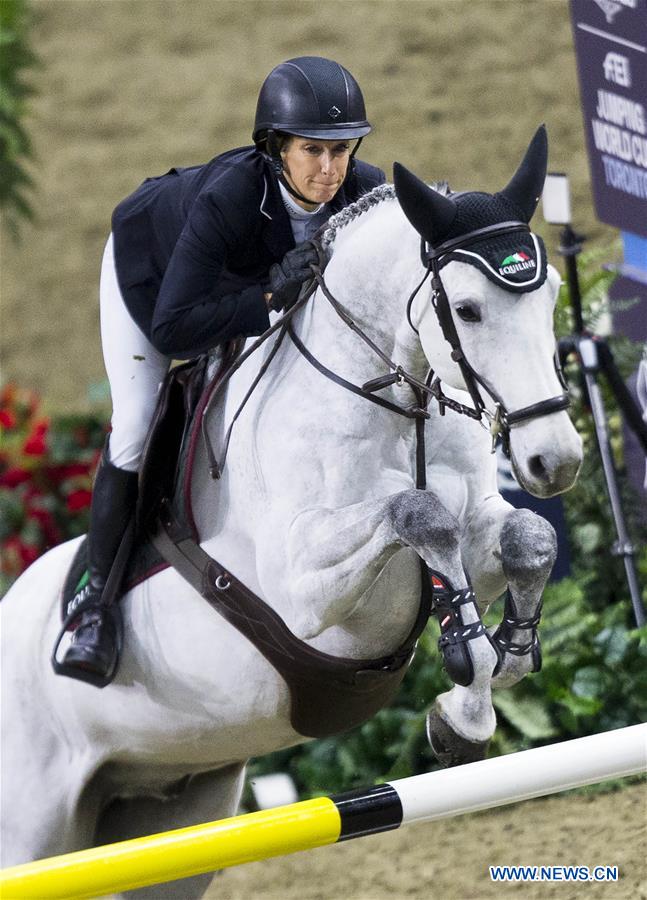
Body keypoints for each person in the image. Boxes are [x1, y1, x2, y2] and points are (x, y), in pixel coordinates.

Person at [59, 56, 386, 686]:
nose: (330, 169)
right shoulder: (230, 198)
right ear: (276, 148)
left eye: (342, 150)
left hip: (231, 289)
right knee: (133, 425)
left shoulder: (362, 189)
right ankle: (94, 606)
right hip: (151, 282)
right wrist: (267, 297)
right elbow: (174, 328)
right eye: (312, 150)